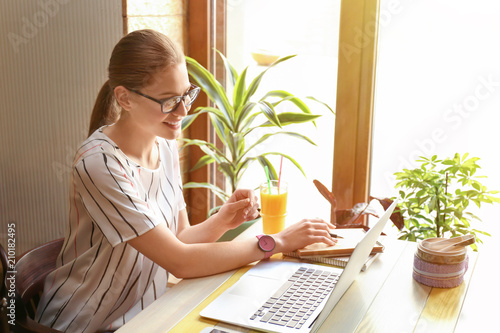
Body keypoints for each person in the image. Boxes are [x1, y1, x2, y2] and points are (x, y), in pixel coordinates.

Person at [35, 29, 336, 333]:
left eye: (186, 95)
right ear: (125, 98)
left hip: (147, 315)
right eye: (168, 101)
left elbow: (178, 239)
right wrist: (276, 242)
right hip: (87, 323)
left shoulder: (163, 142)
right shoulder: (100, 164)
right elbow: (180, 262)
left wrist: (223, 221)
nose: (183, 111)